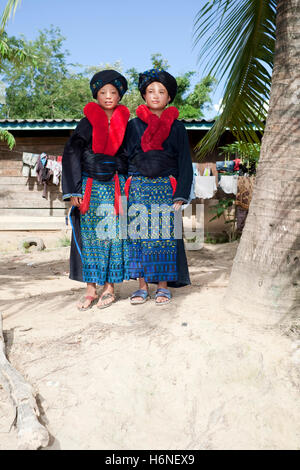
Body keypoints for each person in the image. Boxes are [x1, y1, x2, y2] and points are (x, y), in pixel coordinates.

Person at [124, 68, 193, 305]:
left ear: (169, 97)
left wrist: (180, 194)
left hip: (166, 188)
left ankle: (162, 287)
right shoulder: (132, 126)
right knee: (138, 238)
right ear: (144, 95)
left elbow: (185, 163)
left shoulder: (178, 128)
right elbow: (124, 159)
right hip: (138, 188)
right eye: (150, 91)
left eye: (161, 91)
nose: (155, 95)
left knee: (163, 238)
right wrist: (123, 188)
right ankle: (142, 287)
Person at [62, 70, 130, 310]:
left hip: (115, 186)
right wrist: (73, 190)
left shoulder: (126, 123)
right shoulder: (86, 122)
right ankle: (90, 289)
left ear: (120, 95)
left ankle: (110, 289)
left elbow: (130, 155)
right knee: (91, 238)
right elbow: (71, 154)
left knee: (114, 237)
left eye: (114, 92)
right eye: (103, 92)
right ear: (96, 95)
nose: (109, 96)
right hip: (91, 186)